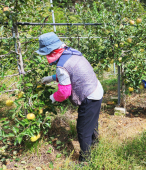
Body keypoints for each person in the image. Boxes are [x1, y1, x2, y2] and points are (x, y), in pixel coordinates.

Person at [35, 32, 104, 163]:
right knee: (92, 120)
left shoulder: (61, 66)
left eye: (46, 54)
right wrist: (52, 78)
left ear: (52, 52)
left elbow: (64, 92)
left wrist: (53, 98)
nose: (46, 57)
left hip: (89, 95)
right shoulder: (72, 52)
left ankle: (85, 160)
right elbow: (73, 73)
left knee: (83, 130)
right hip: (96, 88)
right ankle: (95, 142)